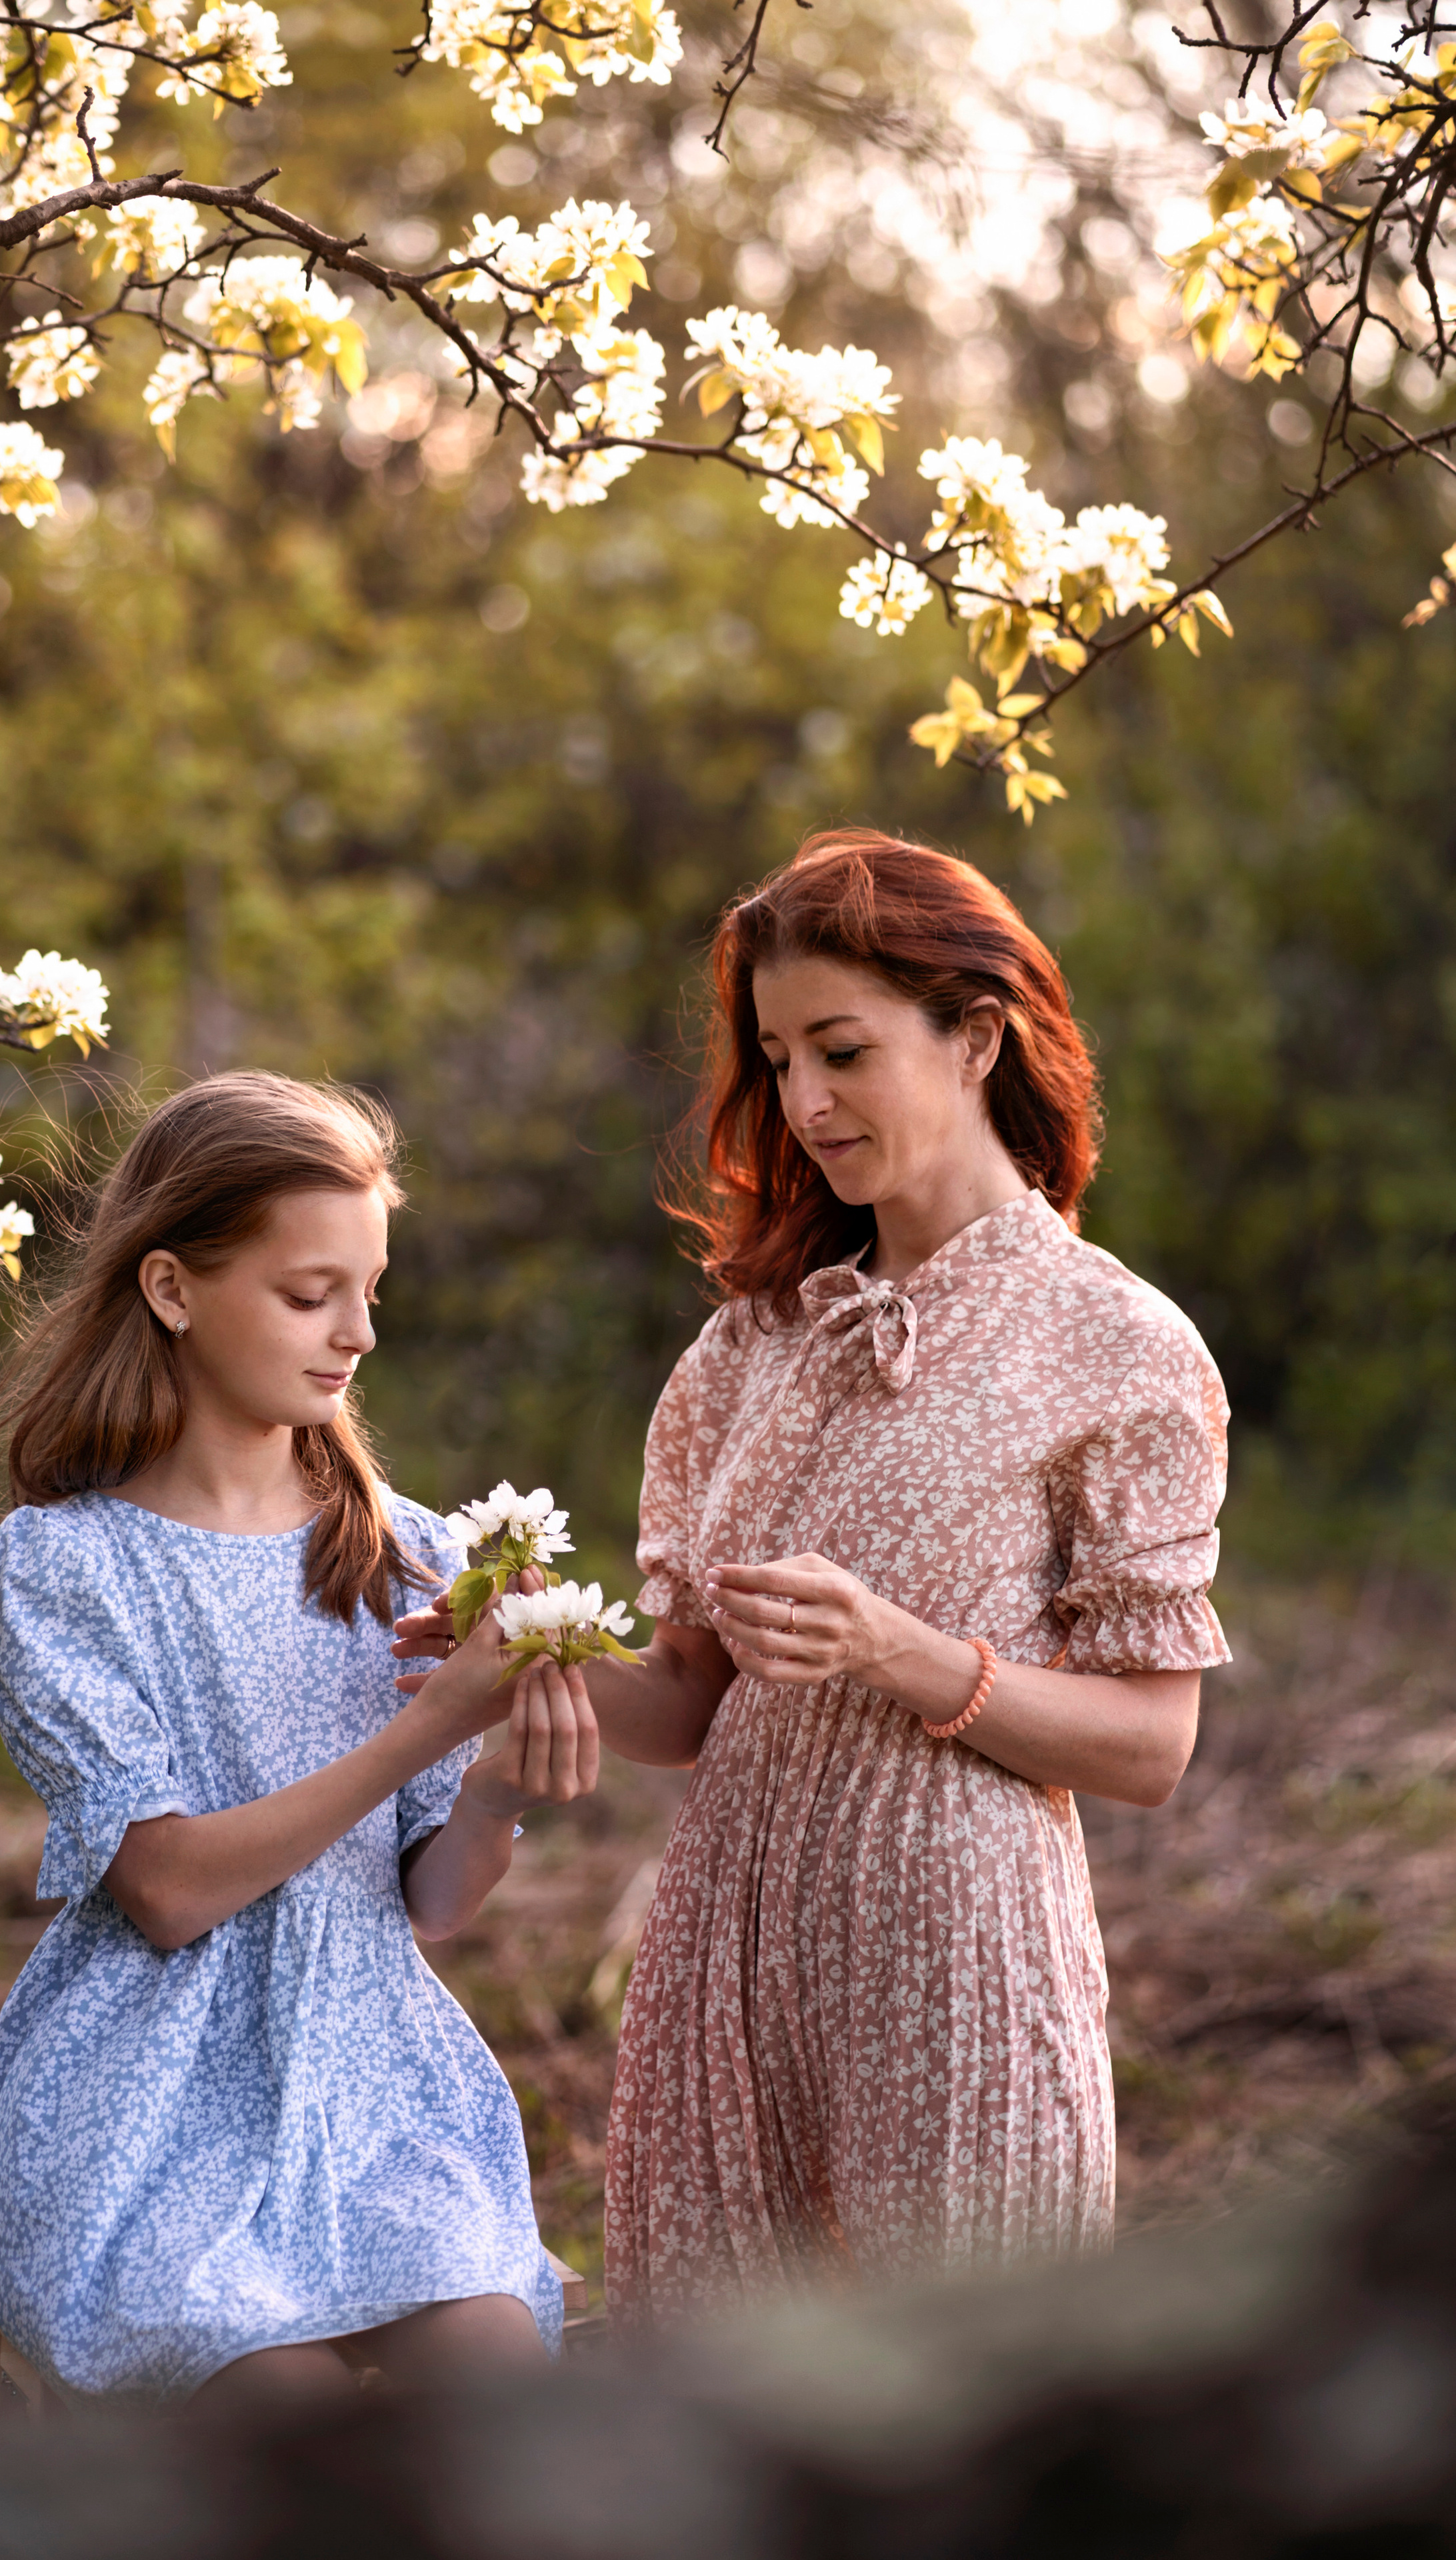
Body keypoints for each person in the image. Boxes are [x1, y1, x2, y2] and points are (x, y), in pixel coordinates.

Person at [581, 829, 1227, 2323]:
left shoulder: (1118, 1346)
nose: (802, 1102)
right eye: (777, 1059)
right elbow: (683, 1704)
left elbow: (1150, 1747)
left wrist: (901, 1653)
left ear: (976, 1036)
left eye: (842, 1051)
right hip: (725, 1956)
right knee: (713, 2423)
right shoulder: (746, 1344)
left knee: (962, 2432)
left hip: (956, 1958)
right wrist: (516, 1646)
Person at [0, 1072, 597, 2403]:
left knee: (494, 2387)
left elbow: (430, 1903)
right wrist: (431, 1734)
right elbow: (167, 1890)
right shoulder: (66, 1568)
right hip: (150, 2117)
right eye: (309, 1295)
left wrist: (498, 1787)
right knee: (283, 2425)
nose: (355, 1334)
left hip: (367, 2094)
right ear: (172, 1288)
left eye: (370, 1291)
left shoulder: (406, 1551)